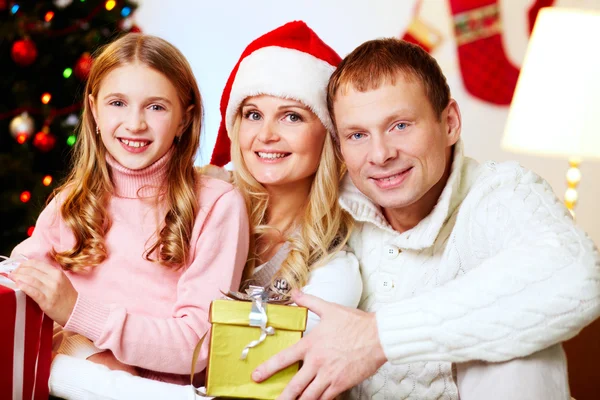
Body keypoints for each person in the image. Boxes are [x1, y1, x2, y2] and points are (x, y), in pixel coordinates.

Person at [252, 38, 600, 399]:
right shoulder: (332, 206)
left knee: (518, 344)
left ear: (449, 123)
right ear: (339, 147)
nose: (381, 154)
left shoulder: (499, 192)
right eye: (357, 135)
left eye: (400, 125)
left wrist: (377, 337)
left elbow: (576, 274)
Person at [9, 33, 249, 394]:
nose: (135, 124)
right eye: (118, 102)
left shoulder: (216, 205)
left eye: (156, 107)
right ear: (93, 110)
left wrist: (79, 311)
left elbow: (198, 347)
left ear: (185, 119)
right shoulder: (69, 204)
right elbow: (14, 289)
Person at [211, 20, 362, 332]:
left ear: (330, 134)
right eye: (253, 114)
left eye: (291, 116)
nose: (266, 135)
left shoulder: (333, 267)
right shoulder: (202, 205)